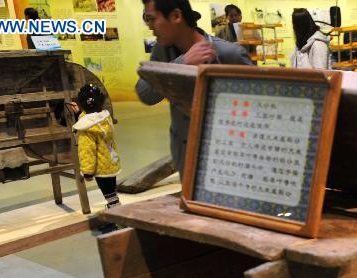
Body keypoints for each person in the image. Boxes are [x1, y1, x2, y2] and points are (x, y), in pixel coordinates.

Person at [136, 0, 252, 177]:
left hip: (227, 157)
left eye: (152, 19)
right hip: (185, 154)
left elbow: (258, 103)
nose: (150, 27)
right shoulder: (162, 51)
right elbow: (145, 94)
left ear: (176, 16)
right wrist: (183, 62)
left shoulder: (229, 54)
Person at [73, 83, 121, 213]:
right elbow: (92, 118)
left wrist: (88, 172)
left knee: (109, 196)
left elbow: (86, 152)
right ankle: (116, 212)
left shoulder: (86, 129)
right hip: (111, 162)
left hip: (100, 168)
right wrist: (79, 113)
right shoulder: (105, 118)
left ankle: (117, 217)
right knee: (112, 191)